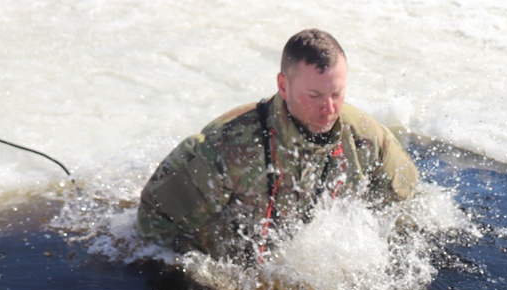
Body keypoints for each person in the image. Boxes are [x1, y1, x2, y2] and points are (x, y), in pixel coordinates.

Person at [137, 29, 419, 265]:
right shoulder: (227, 147)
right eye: (315, 95)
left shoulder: (367, 139)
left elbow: (406, 211)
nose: (329, 108)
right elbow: (155, 220)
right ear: (283, 86)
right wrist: (207, 282)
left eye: (337, 93)